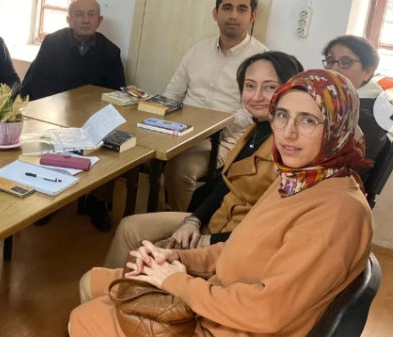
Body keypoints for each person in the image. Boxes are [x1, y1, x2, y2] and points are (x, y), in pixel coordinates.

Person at [70, 69, 373, 337]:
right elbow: (238, 247)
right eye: (282, 115)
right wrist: (179, 258)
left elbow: (265, 312)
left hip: (227, 324)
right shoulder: (297, 179)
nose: (288, 132)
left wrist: (177, 282)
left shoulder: (336, 212)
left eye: (308, 120)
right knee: (92, 281)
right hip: (218, 297)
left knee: (85, 317)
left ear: (337, 127)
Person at [90, 51, 302, 278]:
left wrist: (208, 240)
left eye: (270, 87)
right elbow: (224, 184)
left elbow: (270, 230)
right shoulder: (256, 129)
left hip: (234, 243)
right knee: (128, 228)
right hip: (217, 221)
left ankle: (116, 289)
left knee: (126, 263)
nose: (257, 96)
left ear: (290, 89)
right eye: (250, 86)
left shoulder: (288, 149)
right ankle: (110, 291)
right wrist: (193, 220)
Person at [162, 0, 268, 211]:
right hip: (181, 132)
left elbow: (253, 112)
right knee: (138, 151)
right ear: (215, 13)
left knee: (181, 170)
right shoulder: (198, 50)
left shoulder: (262, 60)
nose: (233, 15)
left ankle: (182, 224)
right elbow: (173, 94)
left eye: (241, 9)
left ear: (252, 16)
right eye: (227, 8)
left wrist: (208, 127)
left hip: (226, 140)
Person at [21, 0, 125, 100]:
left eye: (91, 14)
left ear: (99, 20)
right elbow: (34, 82)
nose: (86, 20)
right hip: (52, 104)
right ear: (69, 20)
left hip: (91, 107)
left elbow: (116, 93)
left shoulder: (110, 52)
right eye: (79, 14)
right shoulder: (52, 42)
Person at [322, 35, 388, 167]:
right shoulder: (339, 101)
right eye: (330, 61)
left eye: (346, 62)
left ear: (367, 72)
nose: (333, 69)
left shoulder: (365, 115)